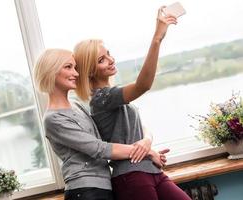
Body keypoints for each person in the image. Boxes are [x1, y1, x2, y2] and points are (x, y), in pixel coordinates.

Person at [74, 7, 191, 200]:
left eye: (108, 54)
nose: (111, 60)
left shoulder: (112, 96)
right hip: (131, 177)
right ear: (90, 70)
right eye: (102, 60)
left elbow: (141, 128)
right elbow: (143, 85)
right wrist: (157, 39)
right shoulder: (101, 99)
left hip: (151, 171)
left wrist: (147, 143)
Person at [33, 48, 165, 200]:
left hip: (103, 186)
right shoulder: (53, 119)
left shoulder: (77, 105)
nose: (76, 73)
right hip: (84, 190)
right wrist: (147, 152)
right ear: (51, 71)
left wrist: (147, 140)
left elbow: (106, 137)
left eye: (75, 68)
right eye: (68, 67)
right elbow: (99, 148)